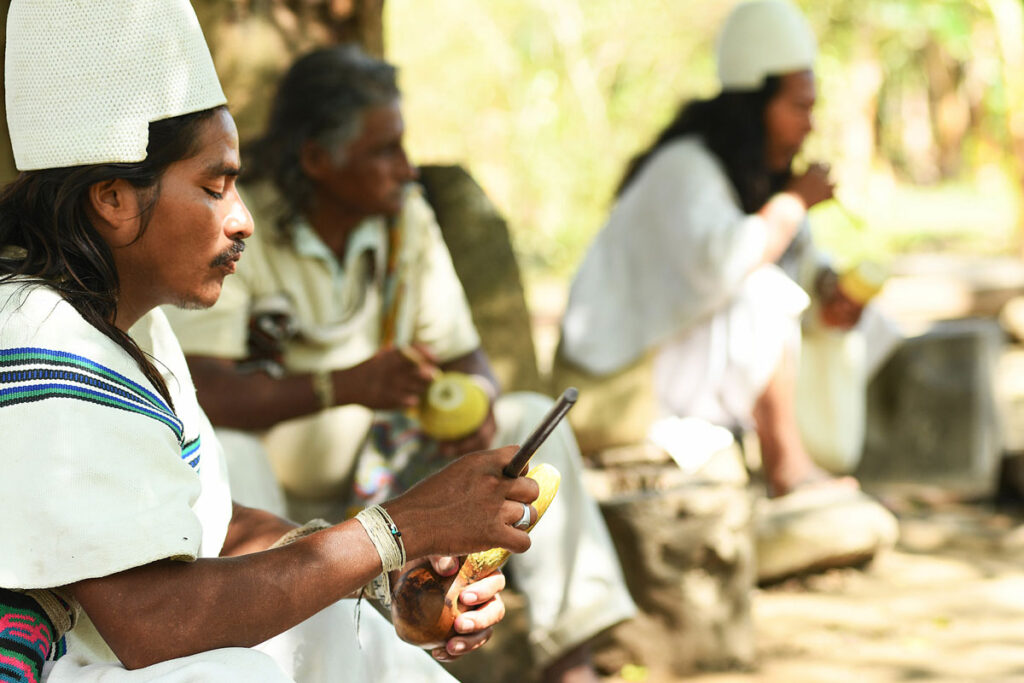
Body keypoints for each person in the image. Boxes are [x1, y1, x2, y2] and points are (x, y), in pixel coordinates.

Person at [0, 2, 542, 680]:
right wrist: (399, 527)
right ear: (113, 198)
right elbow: (148, 620)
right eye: (214, 186)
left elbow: (214, 529)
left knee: (338, 628)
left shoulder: (139, 329)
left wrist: (384, 576)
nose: (242, 219)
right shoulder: (35, 329)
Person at [163, 45, 636, 683]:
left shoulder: (404, 219)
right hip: (274, 498)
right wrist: (344, 386)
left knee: (523, 422)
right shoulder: (245, 227)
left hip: (389, 472)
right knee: (232, 450)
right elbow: (208, 388)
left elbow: (467, 357)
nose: (407, 170)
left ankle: (571, 659)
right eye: (384, 151)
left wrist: (475, 402)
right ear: (318, 160)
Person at [555, 0, 899, 581]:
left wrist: (831, 292)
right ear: (755, 105)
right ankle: (788, 464)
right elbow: (728, 264)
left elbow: (802, 264)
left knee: (873, 322)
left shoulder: (755, 172)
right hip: (623, 378)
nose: (809, 125)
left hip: (681, 359)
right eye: (798, 108)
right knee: (764, 296)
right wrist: (792, 204)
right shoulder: (684, 169)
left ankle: (810, 454)